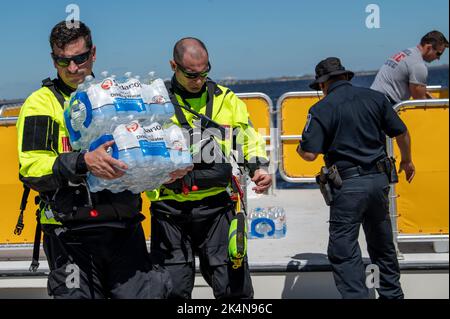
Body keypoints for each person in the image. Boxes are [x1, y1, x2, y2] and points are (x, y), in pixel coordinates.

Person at [16, 20, 174, 299]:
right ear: (53, 60)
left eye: (80, 58)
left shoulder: (119, 97)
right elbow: (31, 170)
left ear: (94, 53)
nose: (73, 68)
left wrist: (164, 173)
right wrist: (82, 162)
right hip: (71, 237)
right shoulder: (41, 104)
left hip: (124, 229)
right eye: (63, 61)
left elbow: (143, 156)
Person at [147, 37, 272, 299]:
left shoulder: (226, 99)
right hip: (170, 209)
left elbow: (246, 137)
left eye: (205, 73)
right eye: (191, 74)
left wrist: (258, 167)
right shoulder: (153, 103)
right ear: (173, 66)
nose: (199, 80)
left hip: (217, 207)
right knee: (172, 289)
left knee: (233, 288)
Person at [297, 57, 415, 299]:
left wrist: (300, 148)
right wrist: (407, 160)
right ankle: (392, 295)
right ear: (346, 77)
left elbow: (309, 154)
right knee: (382, 246)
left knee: (344, 251)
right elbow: (401, 132)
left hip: (348, 187)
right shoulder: (376, 98)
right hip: (379, 183)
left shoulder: (321, 108)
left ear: (322, 85)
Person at [371, 30, 449, 104]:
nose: (438, 58)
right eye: (438, 53)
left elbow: (418, 91)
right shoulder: (418, 65)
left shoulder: (408, 52)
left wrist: (433, 99)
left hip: (372, 98)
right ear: (428, 48)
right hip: (383, 105)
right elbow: (420, 99)